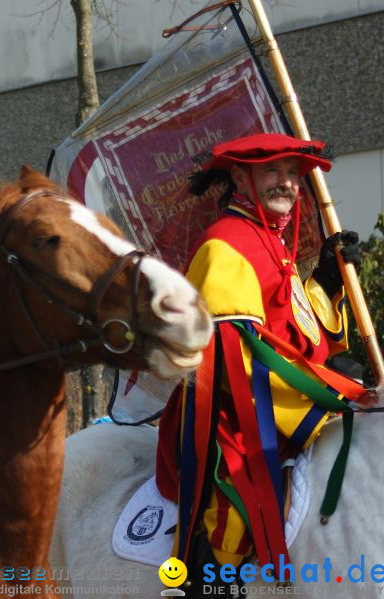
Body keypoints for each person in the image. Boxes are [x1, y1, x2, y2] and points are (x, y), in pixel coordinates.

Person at [155, 133, 366, 579]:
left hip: (281, 402)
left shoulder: (273, 240)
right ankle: (203, 581)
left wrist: (326, 282)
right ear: (239, 176)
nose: (286, 183)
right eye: (273, 171)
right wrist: (322, 391)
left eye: (293, 174)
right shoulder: (226, 243)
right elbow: (234, 360)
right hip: (233, 414)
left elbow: (291, 332)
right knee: (234, 519)